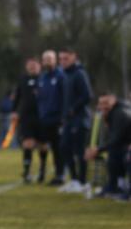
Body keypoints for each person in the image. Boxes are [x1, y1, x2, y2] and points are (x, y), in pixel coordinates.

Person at [58, 48, 94, 194]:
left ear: (74, 57)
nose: (62, 62)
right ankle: (74, 180)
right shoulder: (65, 75)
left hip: (80, 120)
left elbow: (87, 95)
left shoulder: (79, 73)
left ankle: (83, 182)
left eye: (65, 58)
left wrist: (73, 109)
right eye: (60, 59)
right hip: (68, 120)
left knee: (80, 152)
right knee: (64, 147)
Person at [84, 92, 131, 200]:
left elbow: (116, 138)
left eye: (104, 103)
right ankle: (114, 186)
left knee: (124, 155)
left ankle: (121, 188)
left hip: (125, 147)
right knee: (115, 153)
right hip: (123, 146)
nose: (101, 106)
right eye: (100, 104)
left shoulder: (119, 113)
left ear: (112, 101)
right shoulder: (113, 113)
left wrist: (98, 150)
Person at [11, 57, 46, 183]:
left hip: (42, 117)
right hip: (26, 117)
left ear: (39, 66)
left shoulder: (44, 79)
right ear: (27, 67)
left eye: (34, 65)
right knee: (27, 143)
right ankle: (27, 172)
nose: (32, 67)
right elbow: (17, 97)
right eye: (30, 65)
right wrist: (14, 111)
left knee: (42, 145)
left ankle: (42, 170)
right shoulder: (22, 80)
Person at [36, 50, 65, 185]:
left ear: (55, 60)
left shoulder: (61, 76)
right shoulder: (42, 77)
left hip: (56, 119)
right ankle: (42, 171)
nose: (47, 61)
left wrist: (62, 117)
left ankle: (60, 175)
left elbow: (64, 97)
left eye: (49, 59)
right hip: (44, 118)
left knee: (57, 148)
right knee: (42, 146)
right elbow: (40, 98)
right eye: (45, 59)